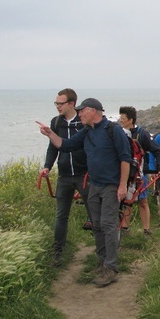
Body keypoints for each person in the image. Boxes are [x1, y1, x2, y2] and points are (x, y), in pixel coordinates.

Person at [37, 98, 131, 288]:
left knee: (108, 224)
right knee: (96, 224)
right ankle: (102, 262)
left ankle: (111, 269)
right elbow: (67, 145)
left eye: (82, 111)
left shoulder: (114, 131)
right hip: (94, 184)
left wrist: (122, 186)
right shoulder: (87, 131)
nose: (79, 114)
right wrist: (50, 134)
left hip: (111, 185)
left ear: (93, 111)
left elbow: (125, 159)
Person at [39, 88, 91, 266]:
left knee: (94, 214)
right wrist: (47, 166)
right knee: (61, 216)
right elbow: (53, 147)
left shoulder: (83, 121)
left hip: (84, 175)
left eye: (60, 103)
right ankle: (57, 253)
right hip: (64, 176)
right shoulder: (56, 122)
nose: (57, 107)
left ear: (72, 104)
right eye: (56, 103)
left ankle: (103, 252)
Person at [118, 106, 160, 236]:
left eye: (122, 118)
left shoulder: (142, 134)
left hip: (140, 174)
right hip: (124, 174)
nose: (120, 121)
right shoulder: (118, 133)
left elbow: (157, 150)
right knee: (127, 202)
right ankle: (124, 229)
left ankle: (146, 230)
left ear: (130, 120)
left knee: (142, 201)